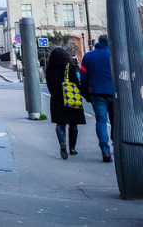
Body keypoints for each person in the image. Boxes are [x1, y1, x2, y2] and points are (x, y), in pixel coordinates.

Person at [45, 47, 86, 160]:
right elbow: (77, 82)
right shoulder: (72, 66)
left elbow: (49, 83)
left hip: (57, 98)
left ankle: (62, 143)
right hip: (71, 97)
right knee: (73, 124)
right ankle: (72, 148)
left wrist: (54, 93)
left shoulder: (50, 68)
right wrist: (86, 95)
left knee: (60, 124)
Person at [81, 34, 115, 163]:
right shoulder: (115, 54)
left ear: (97, 42)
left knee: (101, 121)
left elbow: (83, 78)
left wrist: (87, 95)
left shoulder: (88, 56)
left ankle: (105, 149)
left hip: (96, 93)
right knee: (115, 122)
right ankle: (116, 144)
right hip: (115, 94)